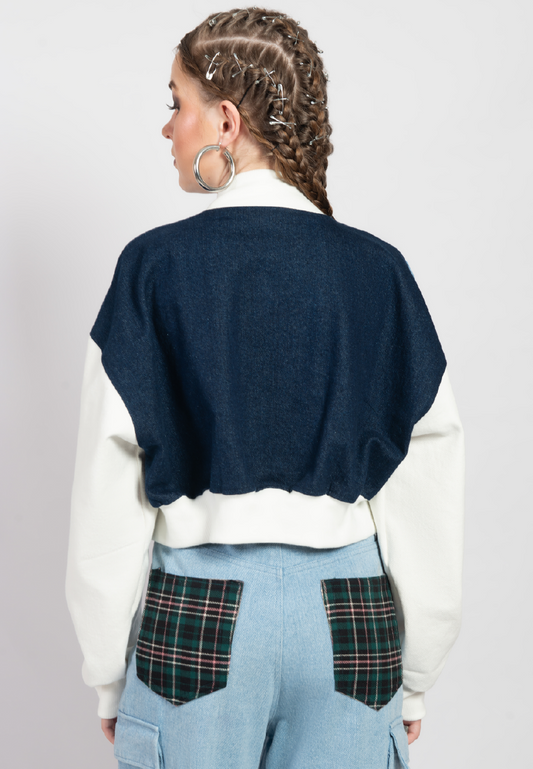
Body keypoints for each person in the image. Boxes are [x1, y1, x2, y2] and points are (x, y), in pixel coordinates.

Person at [65, 8, 465, 769]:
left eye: (176, 103)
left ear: (224, 120)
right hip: (350, 620)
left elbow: (108, 485)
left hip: (199, 618)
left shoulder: (153, 269)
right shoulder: (377, 271)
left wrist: (108, 671)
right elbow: (425, 479)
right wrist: (415, 676)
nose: (167, 128)